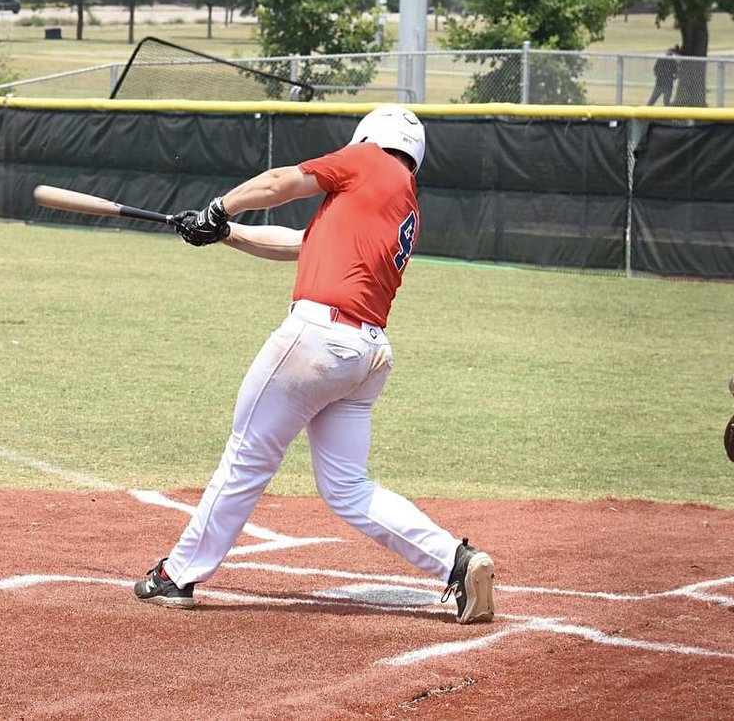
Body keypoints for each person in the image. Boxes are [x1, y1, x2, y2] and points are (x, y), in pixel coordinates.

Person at [133, 104, 497, 624]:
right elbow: (301, 245)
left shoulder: (366, 161)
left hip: (318, 341)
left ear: (370, 137)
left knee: (247, 458)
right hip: (364, 355)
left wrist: (219, 206)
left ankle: (179, 574)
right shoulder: (399, 199)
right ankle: (456, 562)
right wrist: (226, 233)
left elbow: (282, 181)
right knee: (348, 488)